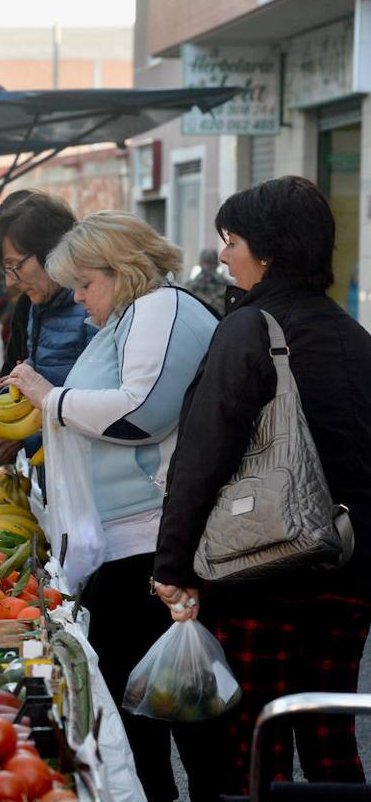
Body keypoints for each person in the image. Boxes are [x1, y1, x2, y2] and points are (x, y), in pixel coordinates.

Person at [152, 177, 371, 799]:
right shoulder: (356, 338)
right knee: (329, 737)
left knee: (253, 745)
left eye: (232, 240)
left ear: (268, 250)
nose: (223, 255)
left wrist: (172, 563)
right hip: (349, 573)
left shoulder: (251, 329)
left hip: (263, 569)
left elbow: (202, 455)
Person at [4, 211, 218, 802]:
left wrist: (53, 398)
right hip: (129, 542)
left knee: (158, 701)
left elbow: (139, 411)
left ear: (120, 270)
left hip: (150, 544)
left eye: (84, 283)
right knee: (144, 700)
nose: (77, 297)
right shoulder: (135, 313)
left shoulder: (161, 310)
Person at [0, 191, 96, 466]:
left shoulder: (93, 310)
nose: (10, 282)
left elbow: (99, 407)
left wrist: (26, 439)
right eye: (5, 269)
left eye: (15, 266)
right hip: (56, 474)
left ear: (51, 251)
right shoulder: (36, 305)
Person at [185, 247, 230, 314]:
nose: (207, 267)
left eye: (211, 264)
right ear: (200, 264)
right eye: (205, 264)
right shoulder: (190, 287)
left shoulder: (227, 287)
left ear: (216, 265)